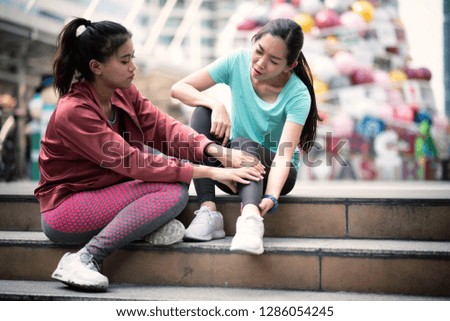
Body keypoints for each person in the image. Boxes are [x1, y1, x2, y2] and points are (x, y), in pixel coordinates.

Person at [34, 17, 264, 292]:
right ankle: (84, 259)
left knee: (174, 187)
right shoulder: (74, 111)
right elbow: (131, 161)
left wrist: (215, 151)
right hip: (66, 208)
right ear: (96, 66)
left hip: (109, 190)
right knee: (173, 192)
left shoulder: (123, 91)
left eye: (133, 57)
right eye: (124, 60)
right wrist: (211, 171)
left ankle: (141, 229)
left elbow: (164, 129)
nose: (133, 67)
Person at [171, 18, 320, 255]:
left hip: (276, 172)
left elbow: (284, 156)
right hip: (234, 167)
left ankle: (250, 220)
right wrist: (215, 104)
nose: (260, 63)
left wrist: (271, 195)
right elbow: (179, 88)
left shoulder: (298, 95)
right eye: (258, 51)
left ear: (289, 66)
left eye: (273, 61)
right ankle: (209, 211)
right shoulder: (237, 62)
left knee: (241, 144)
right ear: (254, 42)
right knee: (202, 113)